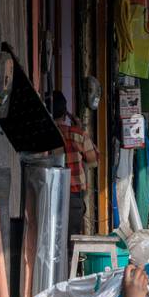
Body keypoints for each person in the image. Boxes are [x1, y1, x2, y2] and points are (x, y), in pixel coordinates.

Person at [52, 91, 98, 243]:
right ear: (66, 114)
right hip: (72, 196)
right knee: (71, 241)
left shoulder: (46, 133)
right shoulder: (76, 134)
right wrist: (80, 128)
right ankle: (71, 267)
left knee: (52, 239)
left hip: (49, 194)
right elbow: (93, 159)